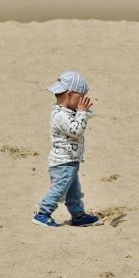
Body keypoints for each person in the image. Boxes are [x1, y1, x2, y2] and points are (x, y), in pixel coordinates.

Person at [32, 71, 100, 227]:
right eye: (80, 98)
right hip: (63, 163)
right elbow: (76, 131)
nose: (82, 102)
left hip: (70, 161)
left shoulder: (66, 111)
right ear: (69, 94)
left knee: (74, 192)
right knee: (59, 191)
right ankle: (42, 213)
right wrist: (82, 113)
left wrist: (80, 111)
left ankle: (78, 216)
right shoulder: (60, 115)